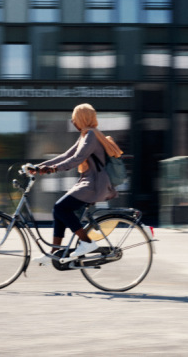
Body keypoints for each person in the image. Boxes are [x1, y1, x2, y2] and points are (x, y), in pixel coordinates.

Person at [32, 103, 123, 265]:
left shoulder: (92, 136)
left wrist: (52, 169)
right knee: (58, 210)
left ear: (83, 118)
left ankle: (87, 242)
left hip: (94, 184)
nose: (73, 122)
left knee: (61, 208)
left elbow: (77, 159)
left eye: (75, 119)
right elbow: (66, 155)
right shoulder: (85, 135)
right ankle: (54, 253)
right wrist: (39, 167)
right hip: (88, 182)